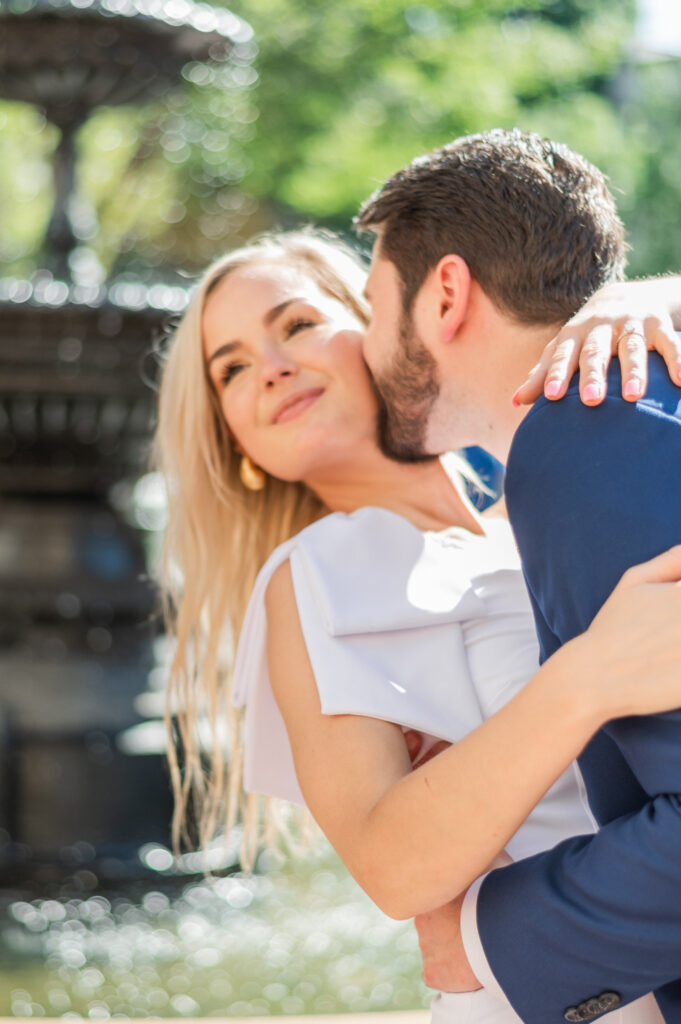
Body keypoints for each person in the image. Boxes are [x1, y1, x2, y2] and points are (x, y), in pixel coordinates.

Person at [155, 222, 680, 1022]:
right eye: (231, 370)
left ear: (378, 328)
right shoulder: (314, 577)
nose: (271, 369)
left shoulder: (542, 490)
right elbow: (393, 868)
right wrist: (585, 678)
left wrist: (636, 297)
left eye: (296, 324)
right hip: (541, 991)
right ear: (239, 447)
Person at [354, 128, 681, 1023]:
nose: (364, 342)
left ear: (446, 293)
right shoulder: (633, 412)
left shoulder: (589, 438)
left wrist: (496, 940)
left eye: (373, 305)